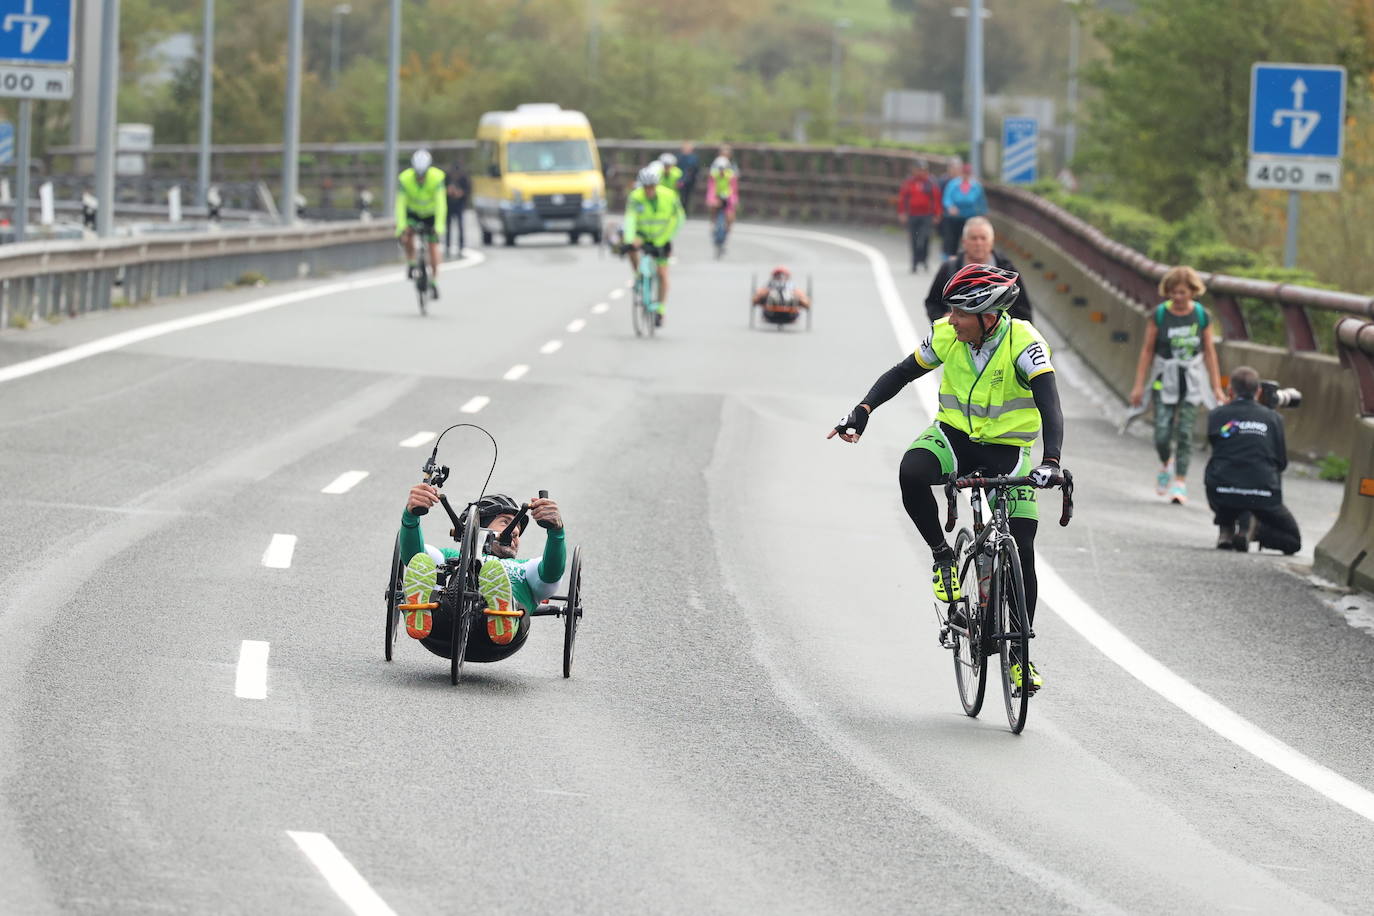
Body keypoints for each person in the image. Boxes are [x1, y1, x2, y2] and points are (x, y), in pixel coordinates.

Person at [827, 263, 1065, 694]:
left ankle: (1019, 655)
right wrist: (863, 410)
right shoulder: (946, 335)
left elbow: (1050, 405)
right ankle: (943, 558)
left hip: (1010, 453)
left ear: (988, 317)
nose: (949, 319)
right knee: (912, 472)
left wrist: (1050, 461)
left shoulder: (1025, 344)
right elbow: (902, 373)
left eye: (959, 313)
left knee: (1023, 550)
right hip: (953, 436)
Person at [398, 489, 567, 655]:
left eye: (518, 528)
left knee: (514, 602)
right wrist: (411, 516)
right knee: (421, 561)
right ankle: (420, 611)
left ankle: (502, 613)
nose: (515, 531)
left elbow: (552, 572)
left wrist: (556, 532)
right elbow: (413, 556)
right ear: (479, 527)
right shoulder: (450, 556)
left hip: (499, 640)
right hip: (442, 625)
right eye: (505, 522)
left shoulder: (524, 567)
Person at [1128, 265, 1225, 505]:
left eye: (1182, 292)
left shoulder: (1202, 316)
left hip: (1192, 380)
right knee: (1162, 432)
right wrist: (1139, 386)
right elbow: (1147, 350)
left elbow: (1210, 352)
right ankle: (1166, 464)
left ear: (1193, 291)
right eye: (1172, 292)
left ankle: (1180, 483)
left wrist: (1216, 387)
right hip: (1164, 379)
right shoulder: (1160, 314)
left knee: (1184, 432)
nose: (1177, 297)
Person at [1204, 366, 1302, 554]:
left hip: (1222, 492)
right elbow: (1281, 462)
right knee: (1292, 542)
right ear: (1258, 392)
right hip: (1263, 495)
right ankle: (1254, 531)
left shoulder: (1217, 415)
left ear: (1230, 391)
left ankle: (1226, 528)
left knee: (1228, 473)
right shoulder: (1274, 418)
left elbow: (1219, 449)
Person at [925, 217, 1033, 324]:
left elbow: (1023, 310)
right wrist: (942, 317)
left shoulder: (1006, 270)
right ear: (964, 242)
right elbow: (932, 303)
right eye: (974, 238)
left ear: (992, 242)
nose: (978, 243)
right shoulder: (949, 268)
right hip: (958, 336)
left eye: (983, 238)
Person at [623, 165, 684, 326]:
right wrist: (629, 239)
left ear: (656, 185)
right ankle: (638, 276)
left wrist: (668, 238)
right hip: (642, 235)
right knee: (630, 248)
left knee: (663, 274)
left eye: (651, 187)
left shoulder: (669, 196)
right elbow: (630, 219)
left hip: (662, 238)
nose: (648, 191)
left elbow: (679, 219)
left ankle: (660, 310)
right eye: (646, 187)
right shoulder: (635, 197)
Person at [395, 149, 447, 299]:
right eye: (418, 175)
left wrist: (439, 227)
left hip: (431, 215)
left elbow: (441, 204)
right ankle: (411, 262)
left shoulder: (437, 178)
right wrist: (401, 227)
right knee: (407, 236)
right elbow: (400, 205)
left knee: (433, 246)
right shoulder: (405, 179)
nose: (420, 178)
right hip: (413, 213)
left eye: (423, 175)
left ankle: (435, 282)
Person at [896, 163, 942, 272]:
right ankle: (914, 262)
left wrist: (937, 214)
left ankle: (924, 259)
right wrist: (902, 212)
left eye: (923, 170)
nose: (920, 172)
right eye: (918, 170)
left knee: (924, 238)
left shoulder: (930, 183)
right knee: (914, 239)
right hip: (913, 215)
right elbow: (903, 198)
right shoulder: (909, 183)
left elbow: (936, 199)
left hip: (926, 215)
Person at [940, 161, 988, 258]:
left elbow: (981, 201)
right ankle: (950, 258)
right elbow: (947, 198)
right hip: (953, 217)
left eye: (968, 173)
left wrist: (983, 214)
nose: (966, 175)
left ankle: (966, 258)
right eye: (964, 173)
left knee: (968, 238)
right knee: (952, 239)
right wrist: (950, 207)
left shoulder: (976, 186)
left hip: (969, 217)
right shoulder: (953, 184)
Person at [706, 153, 739, 238]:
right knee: (712, 207)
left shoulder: (731, 176)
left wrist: (733, 200)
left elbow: (733, 190)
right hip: (716, 196)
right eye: (719, 168)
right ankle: (712, 222)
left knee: (730, 214)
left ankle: (729, 227)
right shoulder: (713, 176)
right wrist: (711, 199)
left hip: (728, 197)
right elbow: (711, 189)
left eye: (723, 168)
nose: (721, 171)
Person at [444, 158, 471, 256]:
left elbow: (468, 191)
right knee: (448, 226)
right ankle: (447, 245)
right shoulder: (447, 177)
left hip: (459, 204)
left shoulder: (464, 178)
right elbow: (442, 189)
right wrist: (448, 191)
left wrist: (460, 193)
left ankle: (461, 245)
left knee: (460, 226)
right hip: (449, 204)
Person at [677, 142, 700, 215]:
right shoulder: (679, 157)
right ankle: (679, 212)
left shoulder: (694, 158)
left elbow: (695, 169)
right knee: (680, 196)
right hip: (680, 180)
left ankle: (685, 212)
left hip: (690, 181)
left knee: (687, 197)